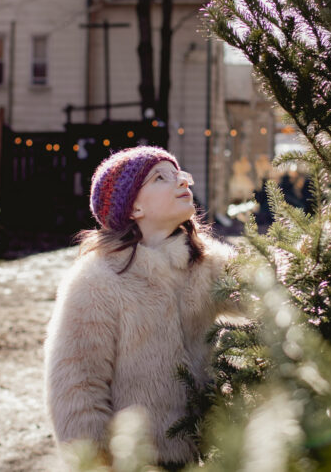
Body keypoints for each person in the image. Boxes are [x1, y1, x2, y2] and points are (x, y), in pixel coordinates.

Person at [44, 146, 236, 468]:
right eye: (161, 178)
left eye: (179, 175)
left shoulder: (206, 263)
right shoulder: (96, 281)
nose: (181, 183)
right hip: (138, 460)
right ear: (133, 207)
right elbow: (77, 389)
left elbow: (265, 288)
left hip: (210, 455)